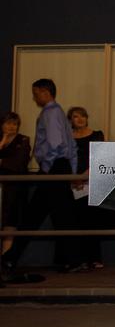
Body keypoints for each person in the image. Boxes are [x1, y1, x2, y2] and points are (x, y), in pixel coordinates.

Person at [1, 79, 78, 274]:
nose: (34, 98)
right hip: (62, 167)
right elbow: (70, 146)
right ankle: (69, 260)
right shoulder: (59, 112)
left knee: (33, 215)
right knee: (62, 216)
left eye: (35, 93)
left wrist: (46, 166)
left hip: (53, 168)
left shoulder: (50, 114)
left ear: (45, 92)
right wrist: (73, 171)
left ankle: (10, 257)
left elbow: (54, 143)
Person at [67, 107, 106, 271]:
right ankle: (78, 259)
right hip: (72, 183)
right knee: (75, 221)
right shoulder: (67, 138)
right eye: (76, 116)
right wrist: (73, 178)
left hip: (92, 182)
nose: (80, 119)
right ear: (70, 120)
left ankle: (94, 258)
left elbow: (101, 157)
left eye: (83, 115)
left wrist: (84, 175)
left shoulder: (97, 135)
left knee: (92, 220)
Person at [0, 112, 32, 255]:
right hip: (2, 188)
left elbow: (19, 163)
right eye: (8, 123)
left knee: (10, 224)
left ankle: (5, 258)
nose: (11, 126)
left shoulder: (23, 140)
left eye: (14, 124)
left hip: (14, 189)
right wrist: (2, 142)